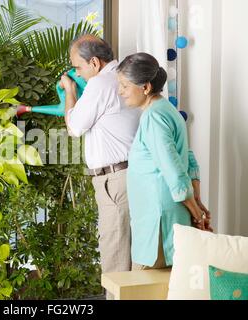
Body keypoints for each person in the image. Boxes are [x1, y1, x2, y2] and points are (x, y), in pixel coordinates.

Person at [59, 34, 141, 298]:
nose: (78, 74)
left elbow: (74, 127)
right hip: (131, 175)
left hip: (114, 180)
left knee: (115, 256)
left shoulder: (100, 83)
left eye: (79, 67)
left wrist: (70, 93)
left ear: (94, 62)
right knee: (136, 257)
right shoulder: (124, 76)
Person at [116, 52, 212, 270]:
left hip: (158, 220)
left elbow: (173, 171)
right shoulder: (166, 109)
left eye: (124, 85)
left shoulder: (154, 117)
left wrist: (197, 216)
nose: (120, 92)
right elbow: (188, 157)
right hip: (162, 214)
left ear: (145, 87)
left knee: (146, 287)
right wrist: (196, 200)